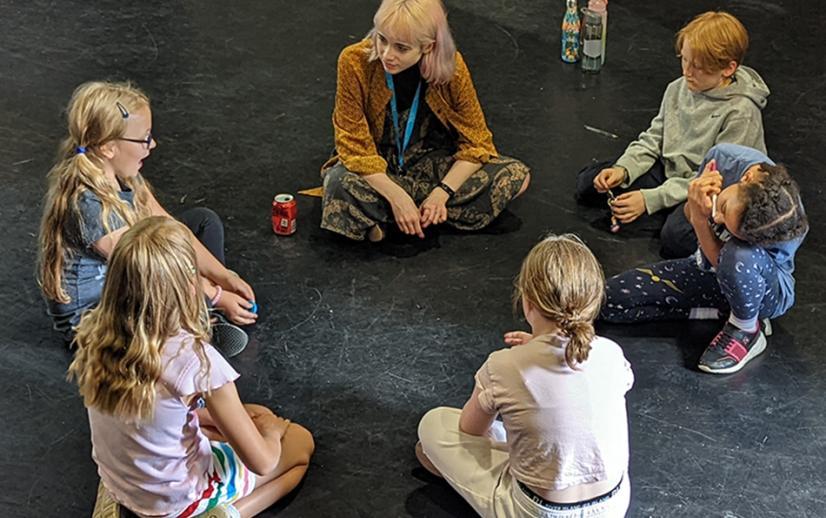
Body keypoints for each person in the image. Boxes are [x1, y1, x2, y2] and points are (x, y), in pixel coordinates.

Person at [67, 217, 314, 518]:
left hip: (121, 483)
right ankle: (228, 513)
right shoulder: (195, 360)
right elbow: (263, 462)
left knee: (253, 415)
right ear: (189, 286)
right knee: (299, 444)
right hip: (176, 500)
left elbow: (157, 412)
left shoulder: (95, 334)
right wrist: (272, 433)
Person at [417, 234, 633, 517]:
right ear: (593, 302)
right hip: (612, 506)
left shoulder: (503, 365)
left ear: (527, 302)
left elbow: (471, 431)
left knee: (434, 424)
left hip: (537, 511)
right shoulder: (612, 353)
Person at [37, 81, 256, 349]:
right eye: (144, 138)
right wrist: (217, 296)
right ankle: (198, 317)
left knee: (203, 221)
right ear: (108, 147)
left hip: (131, 277)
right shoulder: (89, 206)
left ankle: (198, 310)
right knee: (164, 278)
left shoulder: (123, 174)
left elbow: (171, 228)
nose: (152, 144)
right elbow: (151, 269)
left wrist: (223, 276)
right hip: (97, 317)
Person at [320, 0, 530, 242]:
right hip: (375, 165)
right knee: (338, 182)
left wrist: (442, 192)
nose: (387, 54)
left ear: (428, 47)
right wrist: (397, 196)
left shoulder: (453, 69)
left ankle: (386, 216)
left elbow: (477, 142)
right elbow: (353, 146)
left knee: (516, 175)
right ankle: (419, 213)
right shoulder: (353, 61)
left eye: (401, 48)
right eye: (382, 39)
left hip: (427, 162)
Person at [575, 11, 769, 259]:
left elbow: (713, 180)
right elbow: (654, 138)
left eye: (699, 67)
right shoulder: (678, 87)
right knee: (588, 184)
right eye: (684, 60)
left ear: (728, 68)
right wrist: (624, 169)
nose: (687, 72)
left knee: (676, 239)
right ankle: (660, 210)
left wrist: (650, 200)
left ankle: (663, 214)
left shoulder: (741, 112)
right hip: (671, 172)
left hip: (708, 188)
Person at [601, 144, 808, 374]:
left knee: (738, 254)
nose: (717, 218)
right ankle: (722, 312)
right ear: (746, 177)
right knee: (610, 301)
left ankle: (746, 328)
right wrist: (694, 202)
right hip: (712, 266)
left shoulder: (785, 221)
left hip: (761, 290)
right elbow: (691, 217)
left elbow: (729, 261)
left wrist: (701, 220)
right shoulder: (723, 159)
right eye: (724, 208)